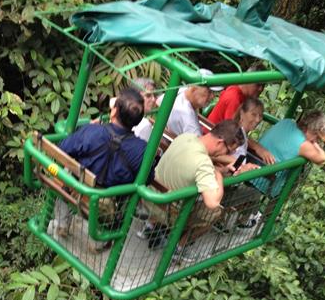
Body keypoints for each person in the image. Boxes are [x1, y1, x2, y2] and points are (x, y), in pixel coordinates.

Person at [49, 87, 153, 242]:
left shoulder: (93, 131)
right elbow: (148, 178)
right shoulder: (141, 150)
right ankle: (96, 242)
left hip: (74, 192)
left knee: (67, 172)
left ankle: (62, 225)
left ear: (114, 112)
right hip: (107, 208)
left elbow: (63, 148)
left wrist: (87, 129)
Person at [146, 120, 246, 259]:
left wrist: (218, 170)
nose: (227, 155)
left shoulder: (185, 137)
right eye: (228, 151)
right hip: (170, 212)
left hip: (150, 196)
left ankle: (150, 225)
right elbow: (212, 202)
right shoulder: (203, 163)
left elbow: (197, 162)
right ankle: (178, 247)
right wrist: (218, 176)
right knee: (216, 212)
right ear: (219, 142)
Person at [252, 110, 325, 197]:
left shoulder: (287, 122)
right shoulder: (303, 144)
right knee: (292, 182)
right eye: (316, 135)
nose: (316, 139)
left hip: (249, 167)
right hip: (264, 182)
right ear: (311, 129)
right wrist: (314, 142)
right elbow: (322, 158)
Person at [207, 75, 275, 164]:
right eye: (258, 85)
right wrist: (257, 148)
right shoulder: (234, 98)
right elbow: (229, 136)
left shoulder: (238, 93)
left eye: (263, 86)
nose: (260, 89)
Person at [157, 68, 222, 137]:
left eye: (213, 92)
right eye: (209, 91)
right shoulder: (190, 122)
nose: (212, 96)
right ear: (194, 88)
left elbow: (158, 101)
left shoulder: (181, 91)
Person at [131, 77, 157, 141]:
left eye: (154, 95)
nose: (153, 99)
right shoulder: (144, 124)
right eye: (148, 96)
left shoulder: (120, 114)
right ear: (135, 97)